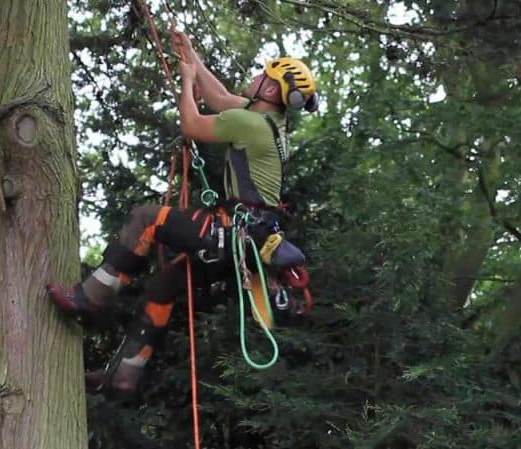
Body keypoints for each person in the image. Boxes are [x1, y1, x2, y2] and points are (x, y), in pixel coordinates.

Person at [46, 30, 318, 399]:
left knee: (148, 218)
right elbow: (220, 98)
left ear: (270, 91)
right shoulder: (268, 121)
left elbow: (192, 124)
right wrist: (191, 57)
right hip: (242, 241)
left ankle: (91, 297)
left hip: (230, 233)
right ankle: (123, 377)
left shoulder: (251, 124)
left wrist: (187, 80)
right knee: (163, 287)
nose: (256, 77)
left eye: (263, 75)